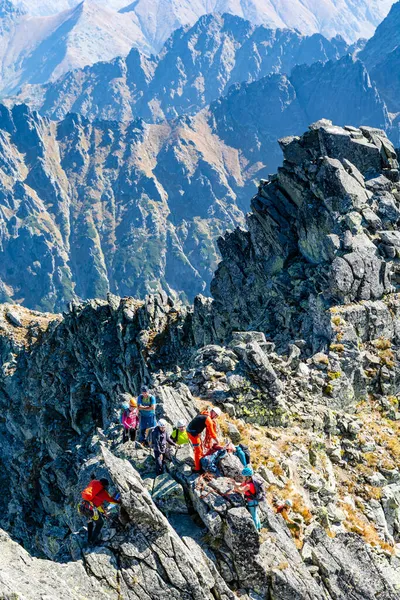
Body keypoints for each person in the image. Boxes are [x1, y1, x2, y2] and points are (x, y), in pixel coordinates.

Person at [80, 478, 121, 545]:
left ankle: (89, 538)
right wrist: (118, 501)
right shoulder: (103, 492)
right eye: (106, 486)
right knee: (100, 523)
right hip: (91, 510)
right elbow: (111, 500)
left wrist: (103, 512)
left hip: (84, 506)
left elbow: (97, 503)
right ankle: (91, 541)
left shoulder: (94, 483)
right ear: (105, 485)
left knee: (90, 521)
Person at [186, 407, 221, 473]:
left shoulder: (204, 413)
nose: (215, 418)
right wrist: (217, 441)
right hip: (193, 434)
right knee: (198, 451)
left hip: (192, 431)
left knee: (199, 449)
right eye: (216, 416)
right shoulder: (208, 420)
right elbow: (212, 433)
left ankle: (199, 461)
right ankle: (197, 469)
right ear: (214, 414)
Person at [232, 466, 262, 531]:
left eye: (244, 476)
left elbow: (241, 490)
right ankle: (259, 527)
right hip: (253, 501)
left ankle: (256, 530)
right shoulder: (247, 482)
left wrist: (234, 485)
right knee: (255, 514)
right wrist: (234, 483)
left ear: (247, 477)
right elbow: (240, 485)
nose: (243, 477)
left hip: (252, 502)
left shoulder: (249, 485)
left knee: (254, 516)